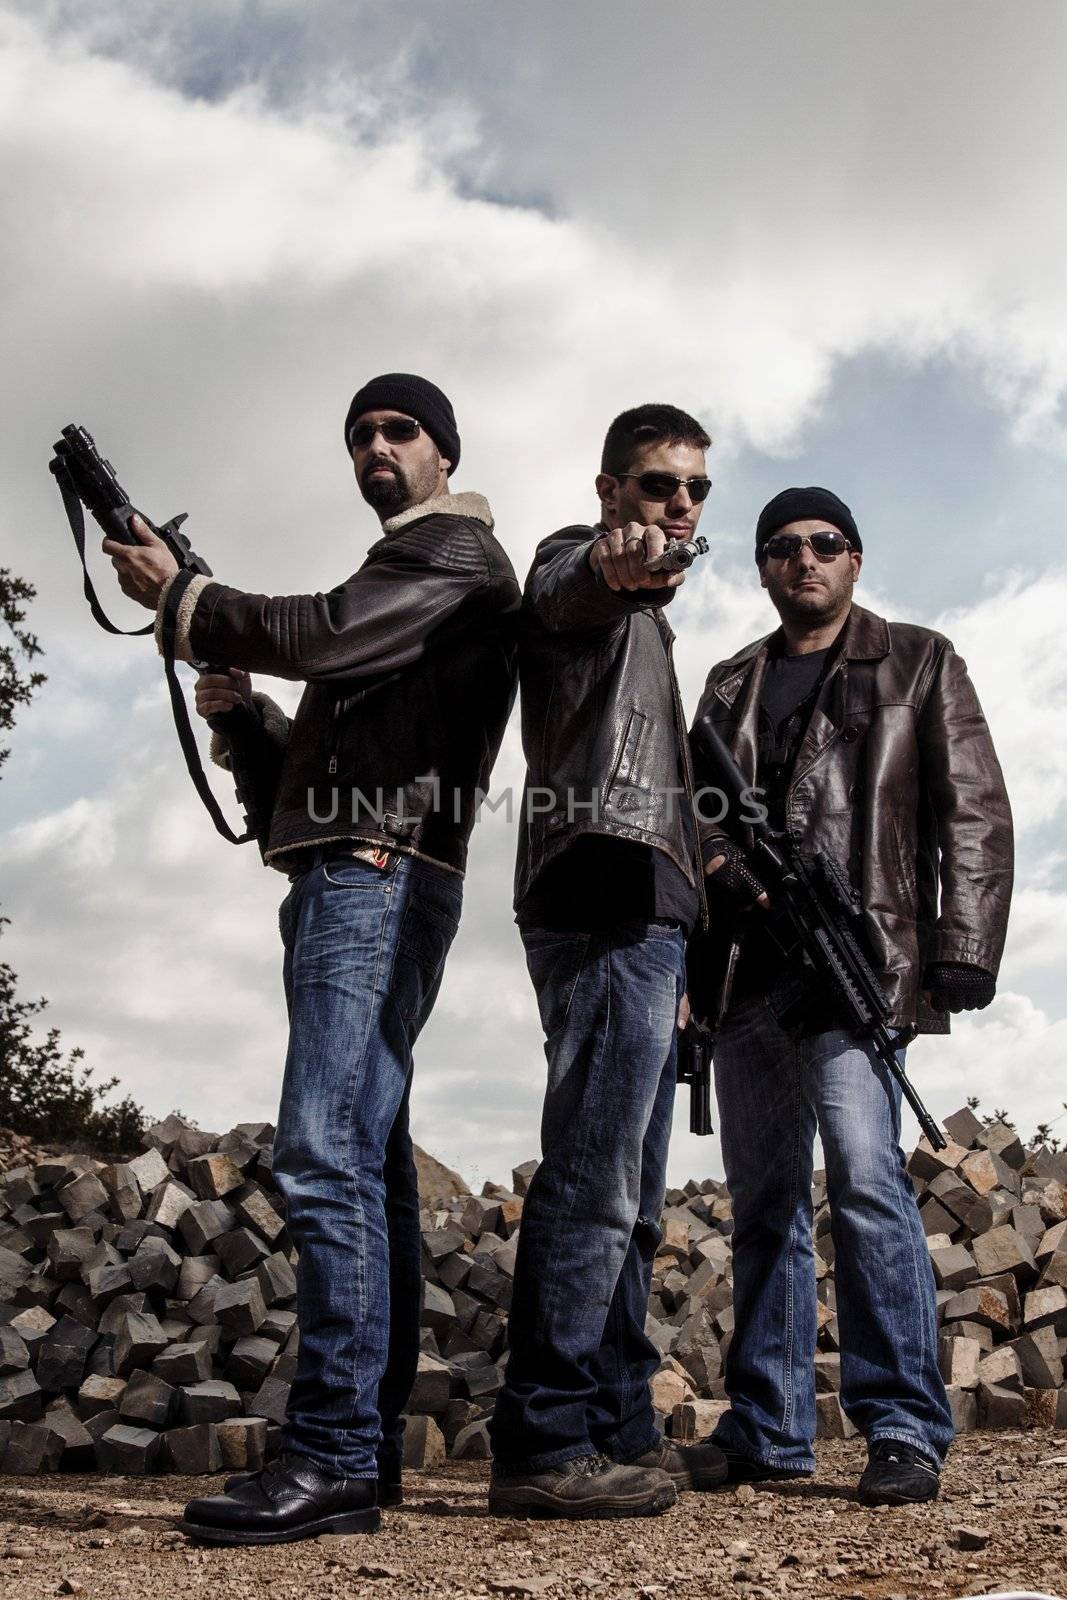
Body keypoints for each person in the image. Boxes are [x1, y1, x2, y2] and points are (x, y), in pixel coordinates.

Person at [103, 374, 520, 1543]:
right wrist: (239, 716)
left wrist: (189, 597)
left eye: (397, 430)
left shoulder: (451, 555)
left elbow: (326, 630)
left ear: (442, 450)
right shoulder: (411, 578)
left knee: (321, 1149)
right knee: (369, 1159)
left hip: (375, 875)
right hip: (360, 868)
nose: (373, 447)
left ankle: (334, 1450)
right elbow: (315, 760)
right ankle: (362, 1451)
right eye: (358, 436)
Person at [687, 486, 1013, 1505]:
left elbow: (973, 810)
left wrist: (962, 946)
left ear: (854, 558)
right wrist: (711, 873)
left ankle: (904, 1425)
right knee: (765, 1206)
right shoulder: (728, 683)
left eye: (822, 543)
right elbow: (684, 811)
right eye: (780, 547)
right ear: (760, 569)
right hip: (744, 972)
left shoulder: (917, 660)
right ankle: (769, 1425)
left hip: (853, 962)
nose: (802, 560)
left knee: (868, 1187)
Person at [487, 404, 727, 1519]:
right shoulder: (579, 568)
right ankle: (541, 1440)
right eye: (653, 485)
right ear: (607, 490)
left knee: (628, 1201)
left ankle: (615, 1421)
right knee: (589, 1183)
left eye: (692, 491)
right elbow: (559, 587)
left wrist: (682, 942)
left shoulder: (651, 636)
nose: (675, 507)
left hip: (648, 918)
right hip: (595, 892)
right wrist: (614, 563)